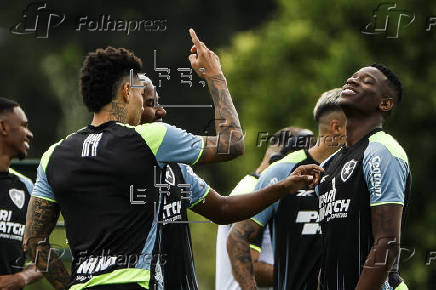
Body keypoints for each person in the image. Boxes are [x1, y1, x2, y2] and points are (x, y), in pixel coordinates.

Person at [23, 29, 322, 290]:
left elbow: (34, 240)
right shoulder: (149, 138)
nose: (149, 106)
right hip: (136, 283)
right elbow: (232, 144)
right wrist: (215, 76)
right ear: (128, 91)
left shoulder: (54, 155)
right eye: (144, 96)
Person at [227, 88, 347, 290]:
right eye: (357, 122)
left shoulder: (355, 171)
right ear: (337, 128)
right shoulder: (282, 171)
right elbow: (237, 236)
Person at [316, 64, 410, 290]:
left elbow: (387, 244)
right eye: (352, 76)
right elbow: (328, 247)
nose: (352, 80)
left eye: (366, 81)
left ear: (385, 103)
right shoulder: (329, 165)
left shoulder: (382, 151)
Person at [215, 127, 315, 290]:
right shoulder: (253, 192)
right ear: (281, 159)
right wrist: (309, 274)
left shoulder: (255, 186)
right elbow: (251, 266)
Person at [0, 98, 42, 289]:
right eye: (24, 126)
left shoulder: (26, 188)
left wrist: (20, 279)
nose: (30, 134)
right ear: (3, 127)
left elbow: (45, 256)